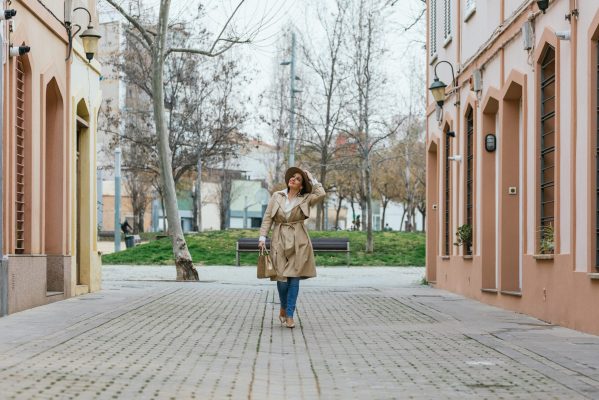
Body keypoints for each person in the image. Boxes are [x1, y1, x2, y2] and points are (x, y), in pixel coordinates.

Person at [259, 167, 325, 329]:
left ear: (301, 186)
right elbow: (268, 217)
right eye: (292, 177)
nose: (293, 179)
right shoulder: (277, 196)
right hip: (279, 239)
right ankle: (283, 306)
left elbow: (321, 194)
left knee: (294, 278)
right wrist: (262, 237)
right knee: (281, 279)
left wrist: (311, 178)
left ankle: (289, 315)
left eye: (298, 179)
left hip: (299, 240)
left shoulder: (306, 198)